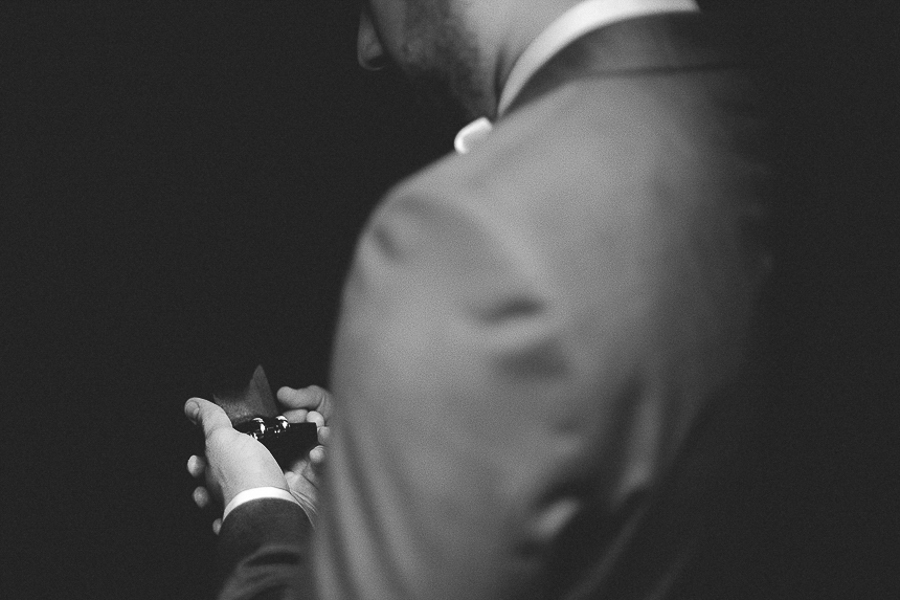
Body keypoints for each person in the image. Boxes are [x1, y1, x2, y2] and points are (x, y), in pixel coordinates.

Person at [185, 0, 775, 597]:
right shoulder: (739, 105)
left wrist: (260, 510)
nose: (369, 48)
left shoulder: (466, 231)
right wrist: (410, 444)